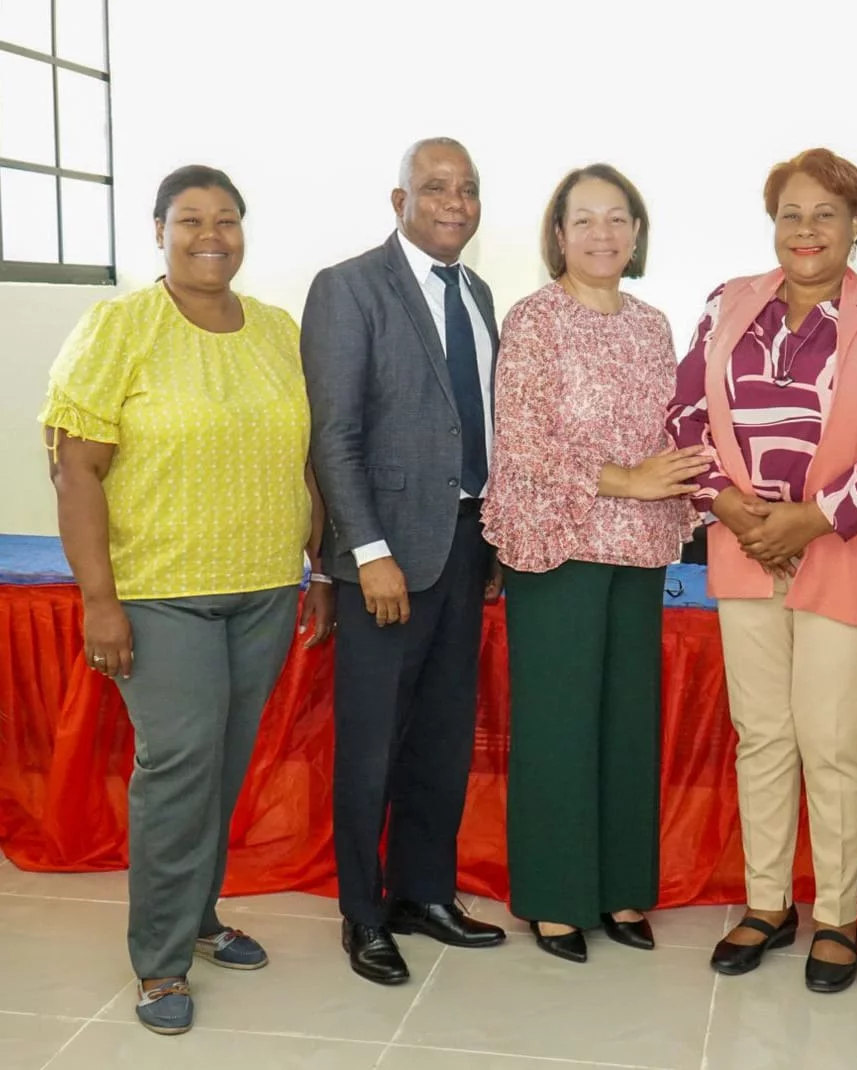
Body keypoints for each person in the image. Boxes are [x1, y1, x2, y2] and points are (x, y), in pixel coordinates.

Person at [39, 165, 334, 1035]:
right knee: (177, 772)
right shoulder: (119, 325)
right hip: (162, 594)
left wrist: (311, 567)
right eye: (191, 220)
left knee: (222, 765)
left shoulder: (276, 331)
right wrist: (100, 600)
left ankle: (200, 916)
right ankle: (161, 962)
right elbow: (76, 470)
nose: (212, 234)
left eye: (227, 219)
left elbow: (305, 460)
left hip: (267, 588)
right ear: (159, 230)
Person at [667, 148, 857, 992]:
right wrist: (730, 506)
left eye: (826, 213)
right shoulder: (726, 304)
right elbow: (683, 412)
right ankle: (765, 903)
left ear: (856, 226)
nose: (807, 229)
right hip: (744, 546)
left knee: (830, 741)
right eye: (791, 212)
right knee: (763, 736)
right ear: (771, 223)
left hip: (845, 550)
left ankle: (837, 916)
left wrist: (814, 518)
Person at [481, 164, 701, 963]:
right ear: (558, 235)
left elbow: (673, 433)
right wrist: (626, 479)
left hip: (640, 546)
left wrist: (669, 487)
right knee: (558, 724)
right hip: (558, 542)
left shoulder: (653, 325)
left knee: (625, 721)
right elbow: (523, 441)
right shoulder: (534, 320)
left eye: (617, 219)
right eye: (584, 221)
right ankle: (552, 897)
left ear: (636, 233)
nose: (602, 234)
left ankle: (618, 889)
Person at [300, 137, 507, 986]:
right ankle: (362, 913)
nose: (453, 203)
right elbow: (334, 437)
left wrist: (492, 536)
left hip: (465, 550)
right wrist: (369, 554)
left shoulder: (480, 292)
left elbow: (477, 425)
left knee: (441, 737)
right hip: (385, 560)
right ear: (399, 200)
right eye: (434, 188)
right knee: (373, 744)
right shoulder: (349, 288)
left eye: (466, 190)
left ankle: (424, 891)